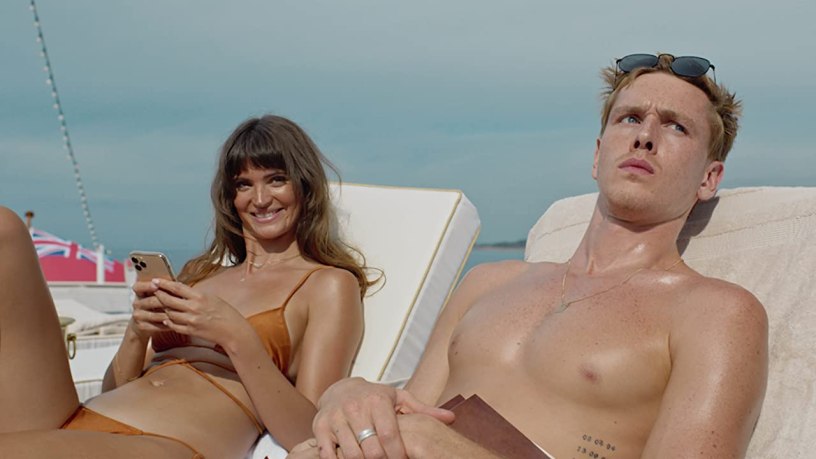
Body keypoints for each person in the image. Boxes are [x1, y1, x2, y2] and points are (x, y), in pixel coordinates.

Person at [294, 54, 769, 459]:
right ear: (598, 154)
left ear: (709, 178)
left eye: (676, 126)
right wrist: (352, 394)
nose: (645, 136)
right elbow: (412, 413)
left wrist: (451, 451)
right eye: (629, 118)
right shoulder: (488, 282)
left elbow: (425, 438)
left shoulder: (715, 312)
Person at [0, 114, 376, 458]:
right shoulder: (200, 275)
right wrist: (137, 333)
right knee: (6, 228)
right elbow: (112, 391)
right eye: (244, 184)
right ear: (230, 197)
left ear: (305, 185)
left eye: (276, 179)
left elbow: (307, 433)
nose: (260, 199)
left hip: (166, 443)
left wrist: (236, 337)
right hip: (84, 422)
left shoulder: (327, 284)